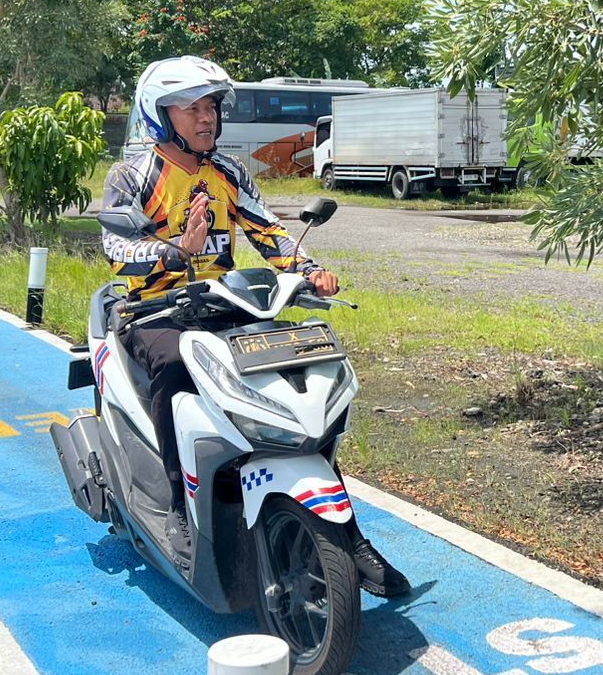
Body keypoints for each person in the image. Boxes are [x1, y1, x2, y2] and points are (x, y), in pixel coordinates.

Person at [100, 55, 408, 597]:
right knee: (175, 365)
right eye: (192, 108)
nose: (207, 119)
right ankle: (177, 499)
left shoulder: (227, 173)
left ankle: (346, 532)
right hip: (154, 311)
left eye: (211, 107)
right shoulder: (133, 175)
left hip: (223, 304)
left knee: (298, 360)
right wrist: (175, 250)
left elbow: (268, 231)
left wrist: (310, 271)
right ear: (161, 114)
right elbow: (115, 249)